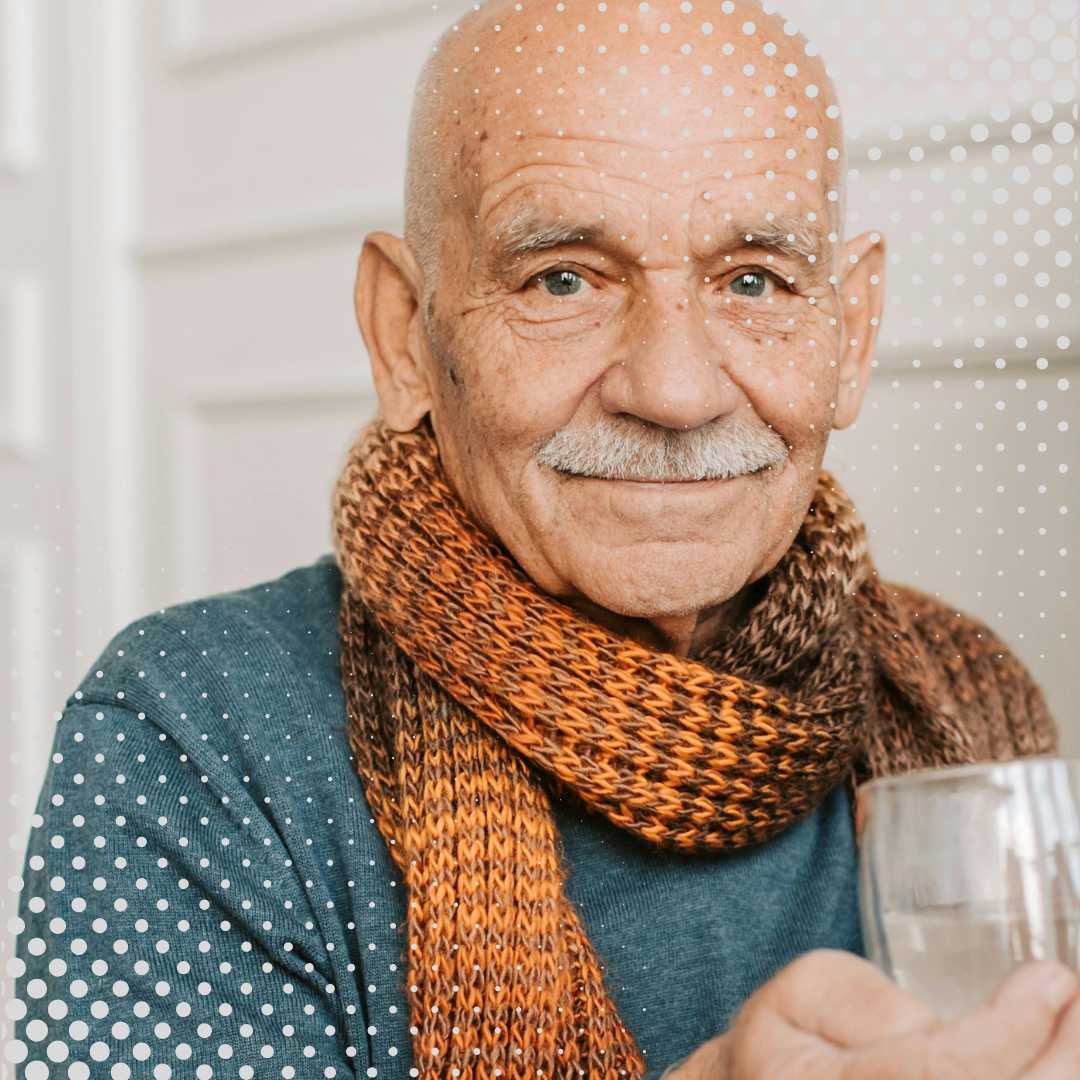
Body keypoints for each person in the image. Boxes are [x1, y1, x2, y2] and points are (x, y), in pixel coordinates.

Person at [10, 0, 1076, 1077]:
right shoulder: (183, 737)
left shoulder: (962, 698)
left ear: (852, 334)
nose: (675, 389)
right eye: (562, 278)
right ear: (404, 338)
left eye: (754, 280)